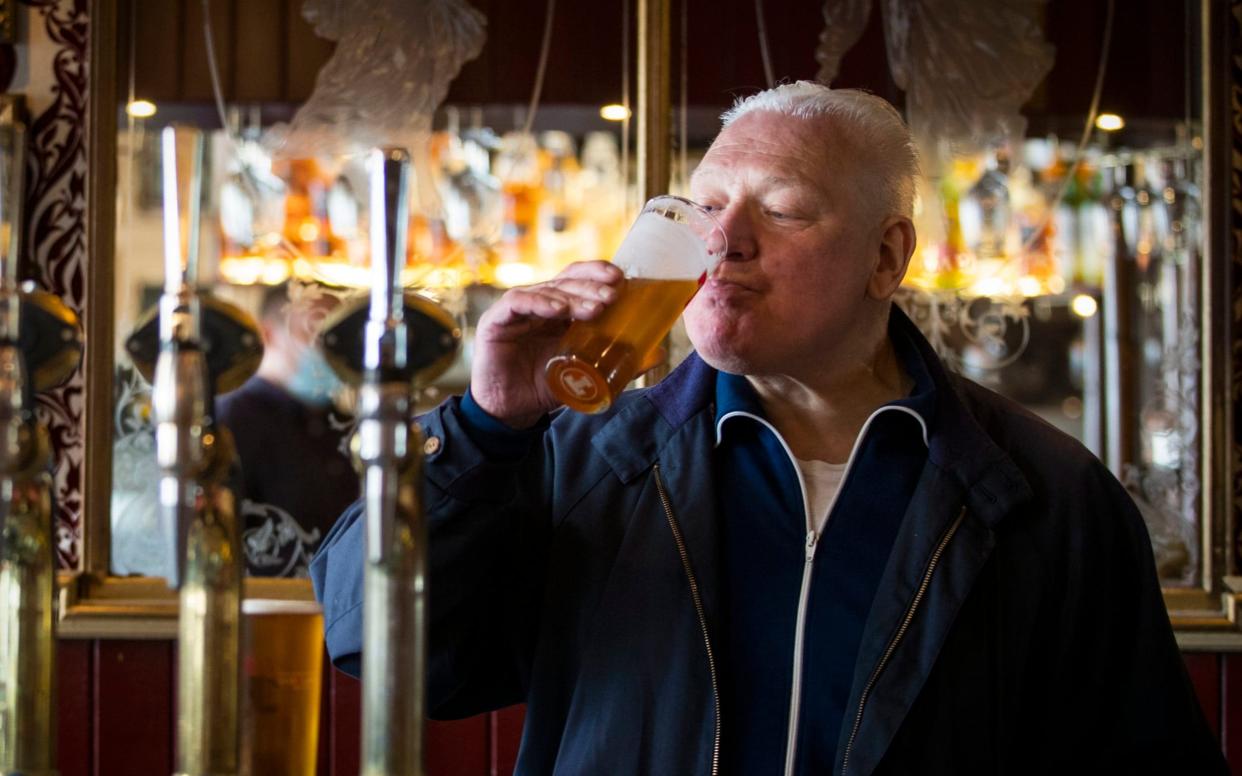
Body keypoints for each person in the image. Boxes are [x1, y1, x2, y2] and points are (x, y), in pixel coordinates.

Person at [311, 82, 1226, 774]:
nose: (722, 240)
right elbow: (384, 651)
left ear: (886, 255)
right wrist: (482, 428)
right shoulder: (583, 455)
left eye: (780, 209)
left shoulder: (1045, 493)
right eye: (707, 206)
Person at [217, 281, 358, 577]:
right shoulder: (233, 419)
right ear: (267, 333)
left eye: (335, 336)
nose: (327, 347)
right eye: (314, 332)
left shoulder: (343, 422)